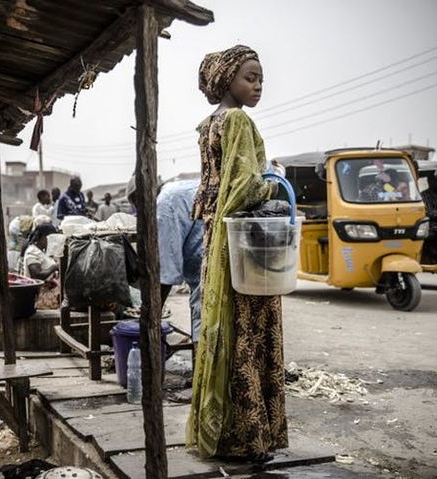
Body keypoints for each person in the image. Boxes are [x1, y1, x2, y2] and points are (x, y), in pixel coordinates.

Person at [187, 45, 288, 461]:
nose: (258, 85)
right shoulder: (238, 120)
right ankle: (250, 436)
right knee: (248, 332)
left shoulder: (208, 124)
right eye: (250, 77)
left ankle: (223, 431)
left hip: (215, 240)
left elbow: (214, 188)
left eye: (261, 78)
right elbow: (245, 188)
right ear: (227, 79)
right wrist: (275, 180)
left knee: (221, 330)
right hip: (243, 245)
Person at [127, 178, 203, 403]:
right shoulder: (177, 190)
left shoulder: (165, 203)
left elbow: (166, 274)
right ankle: (205, 379)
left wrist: (151, 318)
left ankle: (201, 389)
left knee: (204, 320)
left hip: (208, 266)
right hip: (209, 261)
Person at [20, 223, 60, 310]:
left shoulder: (41, 252)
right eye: (51, 239)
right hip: (39, 296)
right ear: (43, 237)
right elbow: (37, 275)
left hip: (49, 293)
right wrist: (55, 266)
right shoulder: (32, 252)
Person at [421, 172, 437, 263]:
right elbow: (429, 212)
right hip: (432, 225)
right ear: (430, 181)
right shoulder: (425, 195)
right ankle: (436, 257)